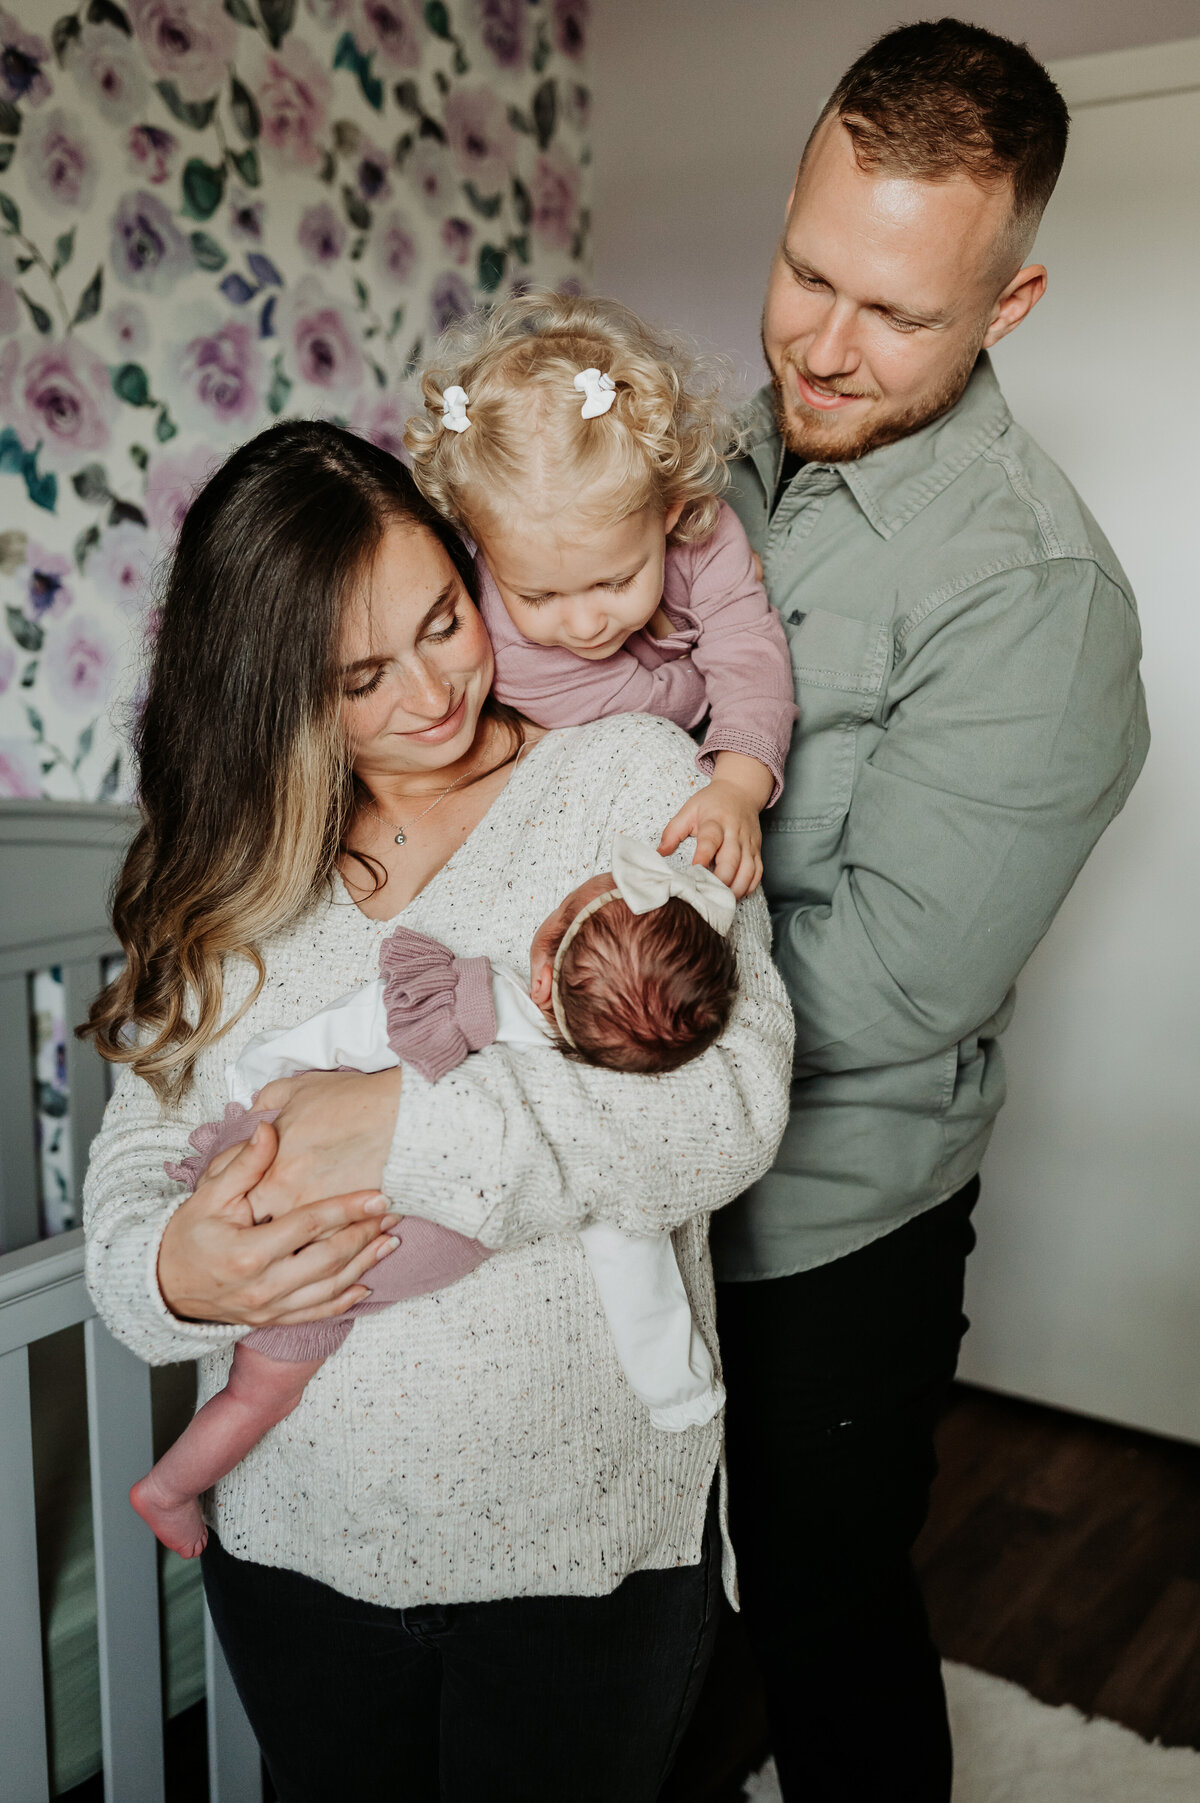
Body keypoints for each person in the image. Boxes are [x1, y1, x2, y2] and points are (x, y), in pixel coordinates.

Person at [82, 419, 794, 1803]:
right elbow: (129, 1173)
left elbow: (730, 1109)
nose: (431, 692)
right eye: (360, 674)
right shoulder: (231, 869)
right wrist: (173, 1267)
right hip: (297, 1541)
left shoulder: (629, 778)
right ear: (272, 692)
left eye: (444, 620)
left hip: (579, 1549)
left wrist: (402, 1128)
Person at [705, 20, 1150, 1803]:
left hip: (829, 1221)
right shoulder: (724, 455)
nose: (825, 344)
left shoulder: (1042, 600)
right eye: (809, 272)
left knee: (825, 1615)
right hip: (602, 1177)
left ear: (1010, 302)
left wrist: (556, 989)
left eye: (895, 314)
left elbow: (890, 977)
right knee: (638, 1595)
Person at [130, 839, 740, 1560]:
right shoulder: (593, 1138)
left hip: (261, 1151)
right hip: (317, 1252)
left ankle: (168, 1487)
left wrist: (263, 1079)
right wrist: (676, 1390)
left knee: (255, 1385)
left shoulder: (473, 998)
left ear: (545, 974)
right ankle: (167, 1487)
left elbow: (355, 1022)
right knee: (258, 1397)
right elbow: (641, 1284)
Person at [404, 288, 798, 900]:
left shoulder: (705, 529)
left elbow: (749, 658)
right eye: (538, 596)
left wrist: (739, 789)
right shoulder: (507, 647)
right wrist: (705, 646)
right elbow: (671, 711)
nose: (586, 624)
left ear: (671, 511)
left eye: (614, 582)